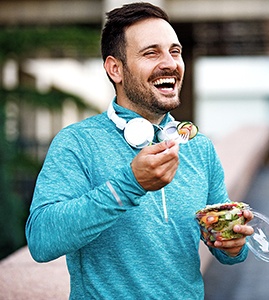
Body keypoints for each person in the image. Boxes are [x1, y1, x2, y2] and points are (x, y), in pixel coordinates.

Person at [25, 2, 253, 299]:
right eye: (151, 53)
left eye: (175, 51)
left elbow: (226, 248)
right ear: (115, 69)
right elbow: (41, 240)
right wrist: (130, 185)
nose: (170, 63)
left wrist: (233, 246)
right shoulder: (77, 143)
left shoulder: (199, 147)